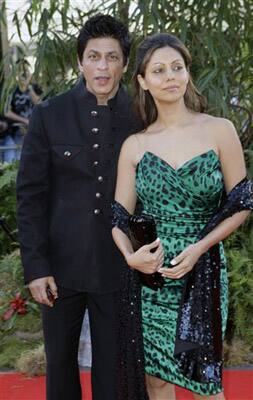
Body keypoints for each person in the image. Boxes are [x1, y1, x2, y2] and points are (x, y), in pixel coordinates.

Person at [112, 33, 252, 400]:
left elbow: (242, 203)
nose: (170, 76)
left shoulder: (219, 130)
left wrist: (200, 248)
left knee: (205, 381)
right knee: (157, 380)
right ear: (143, 81)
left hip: (203, 270)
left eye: (177, 67)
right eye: (158, 70)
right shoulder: (135, 145)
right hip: (152, 275)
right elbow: (117, 217)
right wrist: (132, 257)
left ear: (188, 73)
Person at [16, 14, 142, 400]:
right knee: (60, 368)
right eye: (93, 56)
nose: (102, 67)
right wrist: (36, 268)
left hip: (119, 266)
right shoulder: (49, 115)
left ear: (124, 63)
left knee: (114, 370)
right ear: (81, 61)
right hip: (60, 269)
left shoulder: (141, 118)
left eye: (112, 57)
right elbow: (30, 196)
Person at [5, 59, 42, 161]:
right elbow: (7, 112)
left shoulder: (35, 88)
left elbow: (40, 105)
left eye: (26, 70)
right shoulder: (11, 90)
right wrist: (25, 121)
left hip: (36, 131)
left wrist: (29, 88)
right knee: (19, 160)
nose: (23, 73)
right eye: (20, 70)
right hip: (18, 131)